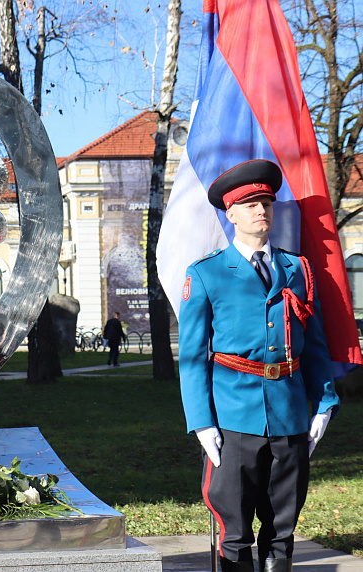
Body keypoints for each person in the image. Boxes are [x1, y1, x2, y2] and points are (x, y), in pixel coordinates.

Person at [178, 160, 339, 572]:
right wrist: (201, 422)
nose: (261, 210)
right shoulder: (208, 273)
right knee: (235, 535)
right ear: (230, 213)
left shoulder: (297, 269)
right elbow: (194, 357)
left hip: (288, 415)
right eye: (250, 204)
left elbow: (314, 343)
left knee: (282, 531)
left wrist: (324, 402)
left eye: (266, 202)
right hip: (233, 417)